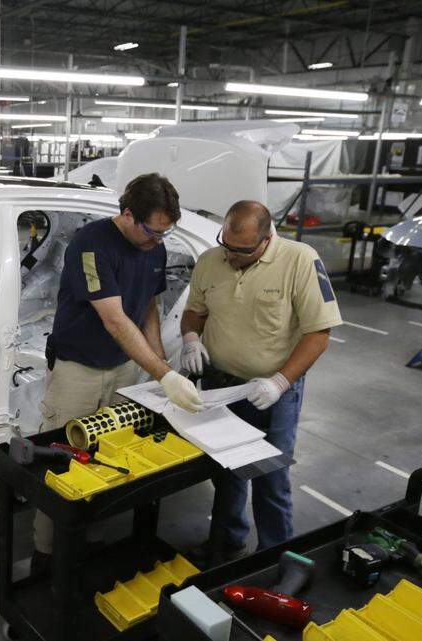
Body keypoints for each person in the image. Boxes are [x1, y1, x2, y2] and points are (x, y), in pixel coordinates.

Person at [33, 173, 203, 566]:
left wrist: (160, 366)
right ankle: (45, 553)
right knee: (61, 459)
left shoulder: (155, 248)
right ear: (127, 214)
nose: (158, 239)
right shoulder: (91, 244)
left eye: (166, 232)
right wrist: (164, 375)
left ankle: (91, 542)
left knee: (108, 455)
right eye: (151, 230)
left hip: (124, 368)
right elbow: (114, 319)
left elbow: (147, 308)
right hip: (78, 369)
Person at [181, 200, 341, 561]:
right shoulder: (210, 261)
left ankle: (275, 554)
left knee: (271, 478)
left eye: (243, 251)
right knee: (226, 471)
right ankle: (227, 538)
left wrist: (281, 382)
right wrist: (191, 336)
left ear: (266, 239)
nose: (232, 256)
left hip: (273, 392)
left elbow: (318, 334)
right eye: (227, 245)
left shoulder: (300, 260)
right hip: (222, 387)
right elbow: (194, 311)